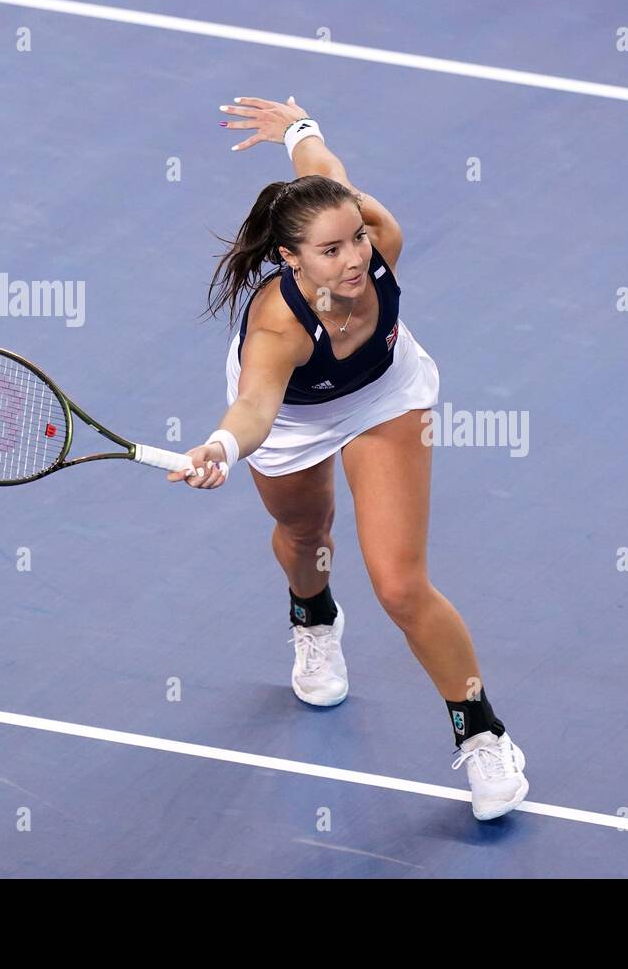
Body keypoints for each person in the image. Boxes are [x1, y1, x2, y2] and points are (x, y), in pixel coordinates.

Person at [169, 95, 528, 821]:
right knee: (308, 534)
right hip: (292, 421)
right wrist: (221, 446)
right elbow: (258, 408)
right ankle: (313, 616)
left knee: (400, 584)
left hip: (385, 397)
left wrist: (298, 128)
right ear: (289, 258)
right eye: (332, 251)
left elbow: (323, 170)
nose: (356, 257)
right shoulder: (278, 328)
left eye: (356, 239)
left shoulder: (374, 237)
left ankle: (482, 732)